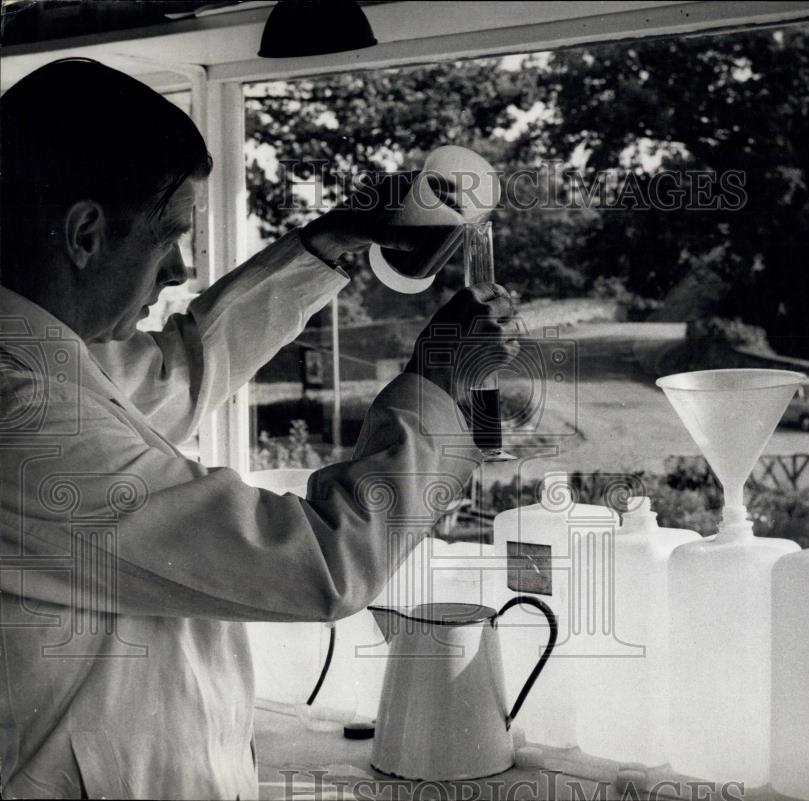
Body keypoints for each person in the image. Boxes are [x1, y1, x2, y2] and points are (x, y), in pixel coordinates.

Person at [0, 59, 518, 799]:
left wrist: (330, 245)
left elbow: (184, 367)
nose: (180, 268)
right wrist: (437, 382)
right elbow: (322, 563)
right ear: (84, 234)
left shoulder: (43, 363)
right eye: (169, 236)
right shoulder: (24, 416)